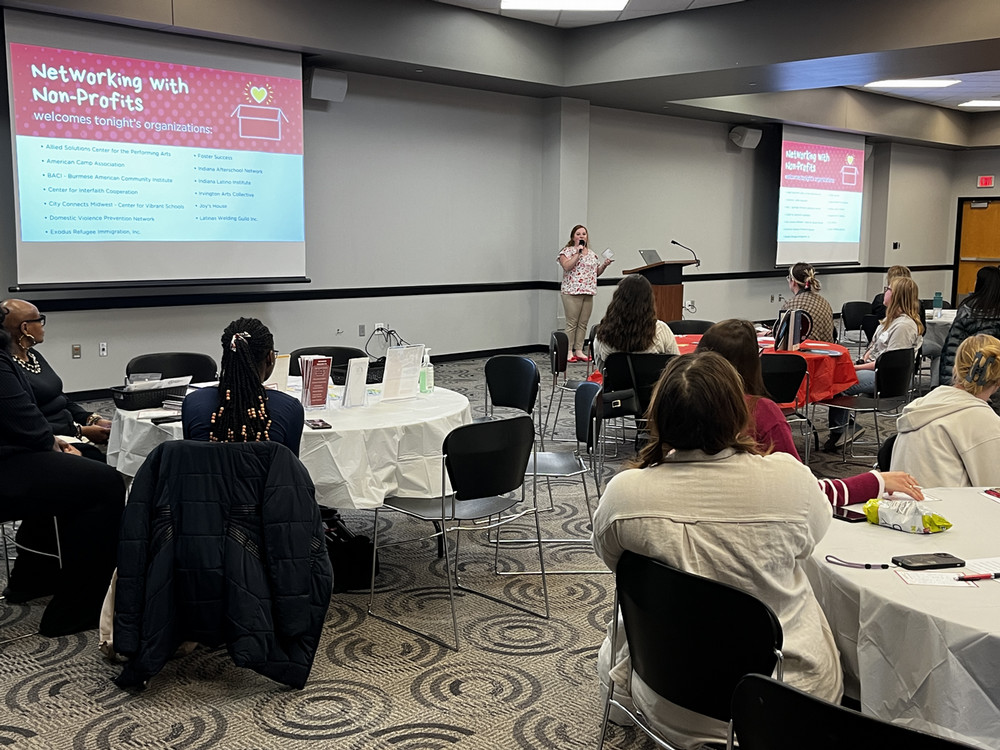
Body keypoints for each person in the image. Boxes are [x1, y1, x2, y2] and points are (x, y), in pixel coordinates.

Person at [593, 352, 842, 748]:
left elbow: (612, 560)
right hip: (781, 702)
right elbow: (814, 537)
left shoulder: (626, 493)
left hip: (666, 694)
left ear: (660, 416)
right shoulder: (790, 481)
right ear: (738, 412)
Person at [696, 319, 923, 505]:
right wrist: (876, 482)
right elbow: (805, 491)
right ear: (755, 361)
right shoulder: (759, 413)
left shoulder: (681, 406)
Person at [0, 304, 125, 636]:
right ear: (20, 329)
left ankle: (35, 577)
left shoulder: (27, 360)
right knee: (106, 483)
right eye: (37, 320)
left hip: (28, 450)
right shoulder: (3, 360)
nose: (42, 324)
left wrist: (79, 425)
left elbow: (40, 409)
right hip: (13, 461)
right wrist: (59, 443)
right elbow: (24, 420)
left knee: (80, 476)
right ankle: (75, 611)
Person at [825, 276, 923, 451]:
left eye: (888, 289)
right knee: (837, 377)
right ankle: (844, 426)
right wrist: (864, 359)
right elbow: (874, 348)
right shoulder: (890, 321)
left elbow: (888, 363)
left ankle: (841, 430)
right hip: (875, 369)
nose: (884, 292)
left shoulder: (903, 326)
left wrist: (855, 367)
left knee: (841, 382)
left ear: (897, 295)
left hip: (886, 378)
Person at [1, 299, 111, 452]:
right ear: (25, 328)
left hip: (68, 427)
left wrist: (91, 418)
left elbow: (59, 397)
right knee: (101, 464)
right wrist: (80, 431)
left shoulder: (33, 355)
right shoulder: (7, 369)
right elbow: (27, 422)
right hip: (49, 437)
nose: (43, 326)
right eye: (40, 320)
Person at [183, 317, 304, 454]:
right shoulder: (289, 408)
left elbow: (190, 464)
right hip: (269, 476)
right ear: (270, 358)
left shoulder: (193, 403)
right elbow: (292, 470)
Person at [892, 334, 1000, 487]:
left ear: (956, 368)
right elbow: (994, 489)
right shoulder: (984, 422)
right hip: (949, 508)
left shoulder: (923, 404)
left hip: (900, 507)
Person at [592, 275, 678, 371]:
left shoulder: (603, 333)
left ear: (617, 300)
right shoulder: (661, 329)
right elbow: (676, 365)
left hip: (617, 385)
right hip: (655, 385)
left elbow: (601, 369)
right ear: (649, 301)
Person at [557, 224, 613, 362]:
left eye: (584, 234)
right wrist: (578, 253)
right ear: (573, 237)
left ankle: (579, 350)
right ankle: (569, 351)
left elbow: (595, 273)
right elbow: (567, 266)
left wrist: (604, 265)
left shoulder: (592, 254)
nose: (581, 236)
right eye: (578, 234)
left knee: (583, 323)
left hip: (588, 291)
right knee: (572, 322)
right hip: (571, 291)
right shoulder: (567, 251)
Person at [938, 266, 1000, 387]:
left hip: (966, 378)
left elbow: (953, 348)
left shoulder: (968, 310)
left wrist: (948, 384)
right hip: (994, 380)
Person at [778, 262, 835, 343]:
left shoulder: (791, 305)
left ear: (793, 281)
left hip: (805, 352)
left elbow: (782, 339)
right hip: (828, 350)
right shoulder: (824, 302)